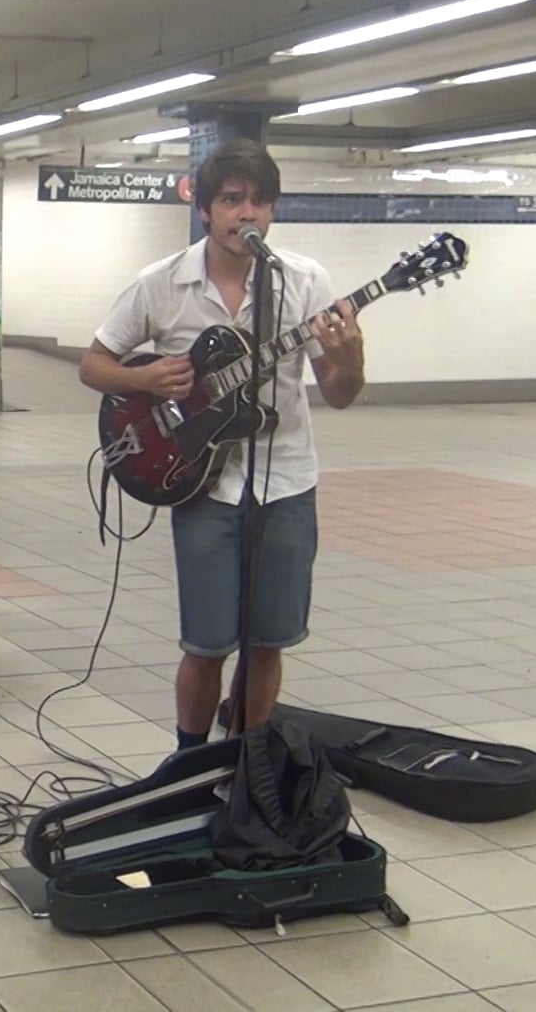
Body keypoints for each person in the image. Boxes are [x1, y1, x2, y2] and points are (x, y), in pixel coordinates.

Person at [77, 138, 365, 752]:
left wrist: (351, 355)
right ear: (205, 210)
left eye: (260, 202)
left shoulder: (304, 282)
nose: (248, 214)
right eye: (232, 200)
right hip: (202, 482)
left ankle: (247, 768)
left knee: (268, 640)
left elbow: (340, 394)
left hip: (287, 481)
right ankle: (189, 762)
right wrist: (142, 378)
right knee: (206, 642)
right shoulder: (162, 283)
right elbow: (94, 366)